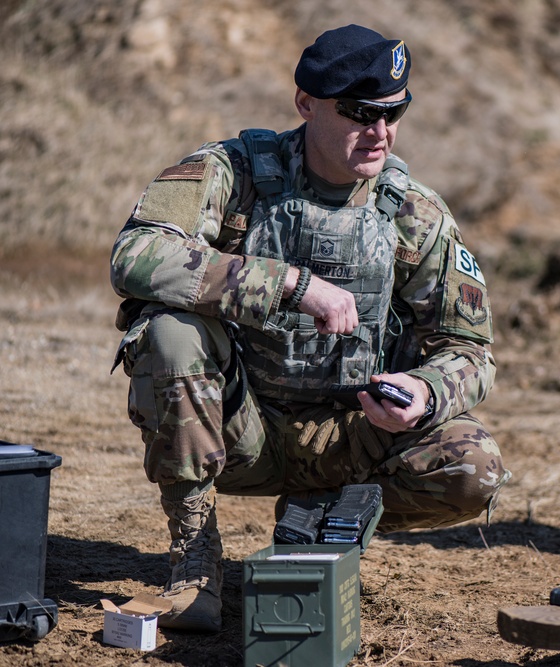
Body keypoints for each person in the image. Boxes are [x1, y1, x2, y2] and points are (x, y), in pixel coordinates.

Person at [109, 24, 510, 633]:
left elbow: (471, 350)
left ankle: (327, 516)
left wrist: (426, 392)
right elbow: (136, 256)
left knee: (472, 467)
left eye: (394, 112)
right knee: (168, 333)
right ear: (306, 104)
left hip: (354, 439)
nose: (380, 133)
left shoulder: (414, 214)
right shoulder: (231, 173)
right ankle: (195, 559)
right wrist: (289, 285)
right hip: (240, 432)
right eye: (358, 113)